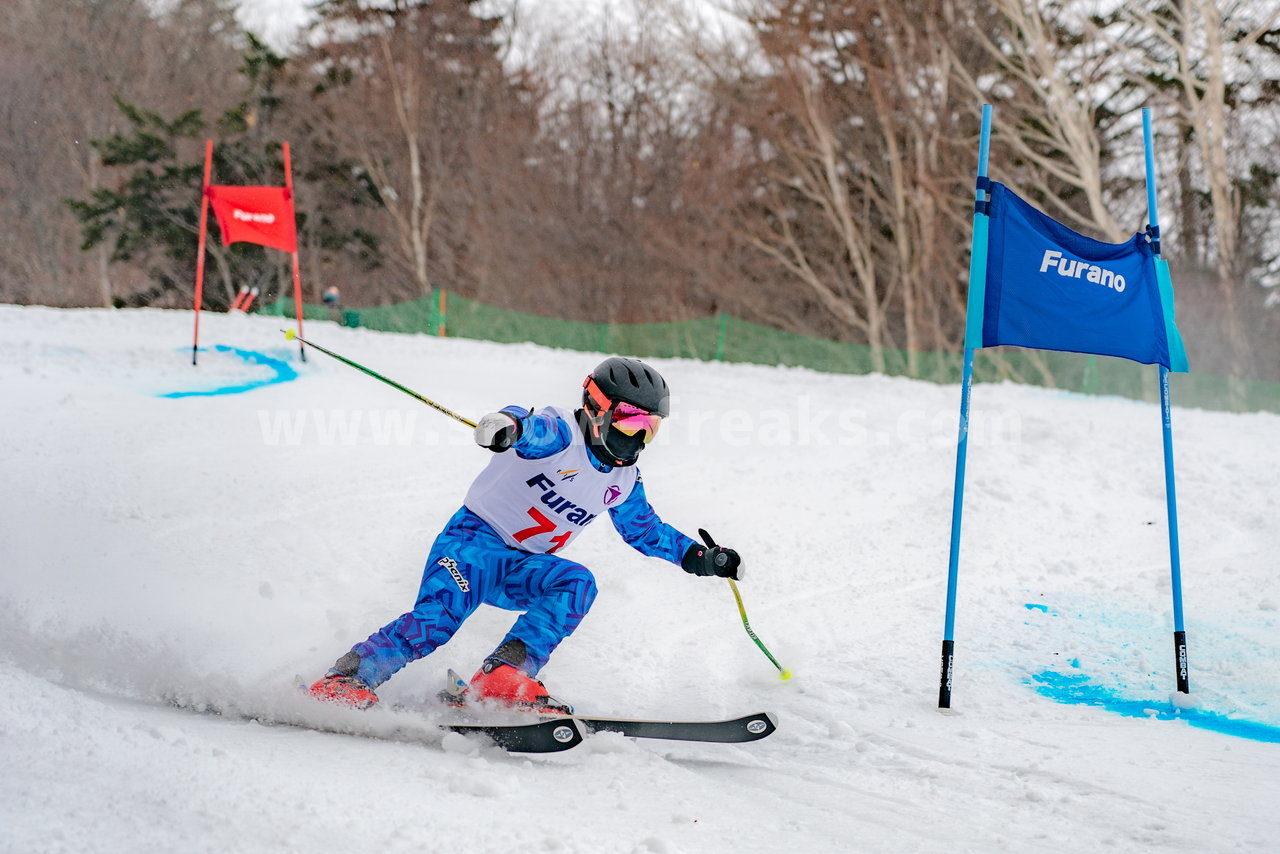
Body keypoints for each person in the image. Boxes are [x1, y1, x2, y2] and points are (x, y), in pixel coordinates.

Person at [307, 357, 742, 713]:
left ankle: (502, 674)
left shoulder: (624, 480)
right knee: (436, 623)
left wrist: (699, 559)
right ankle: (346, 679)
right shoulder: (561, 434)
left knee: (576, 583)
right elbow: (530, 427)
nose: (639, 437)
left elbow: (645, 531)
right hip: (472, 546)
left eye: (651, 426)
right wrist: (508, 426)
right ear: (596, 408)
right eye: (630, 421)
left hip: (523, 567)